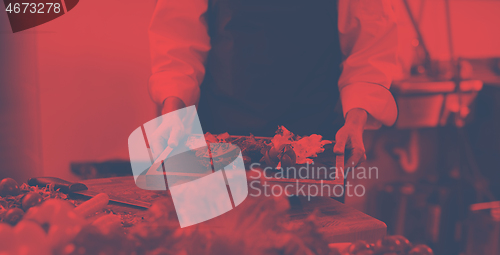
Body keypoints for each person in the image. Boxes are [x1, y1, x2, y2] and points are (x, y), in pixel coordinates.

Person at [148, 0, 398, 167]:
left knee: (306, 242)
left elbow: (370, 46)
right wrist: (174, 111)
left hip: (311, 146)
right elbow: (178, 40)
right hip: (217, 140)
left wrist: (355, 122)